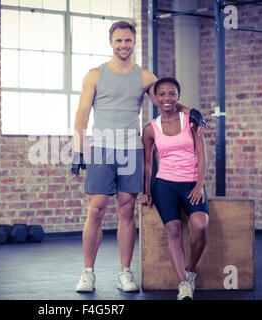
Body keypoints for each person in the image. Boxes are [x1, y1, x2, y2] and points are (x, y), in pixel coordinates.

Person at [70, 21, 202, 293]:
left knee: (127, 210)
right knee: (95, 210)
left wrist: (191, 111)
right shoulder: (94, 75)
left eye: (128, 41)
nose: (123, 45)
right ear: (111, 43)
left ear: (133, 43)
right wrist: (78, 150)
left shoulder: (144, 77)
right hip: (102, 149)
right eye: (118, 41)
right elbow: (82, 113)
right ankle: (87, 272)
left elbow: (166, 100)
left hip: (131, 149)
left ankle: (124, 272)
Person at [140, 77, 209, 300]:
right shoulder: (150, 129)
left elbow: (201, 154)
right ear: (156, 99)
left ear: (178, 96)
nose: (167, 98)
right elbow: (149, 163)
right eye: (162, 94)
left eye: (172, 94)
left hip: (191, 183)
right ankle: (183, 285)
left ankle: (190, 270)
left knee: (201, 225)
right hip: (165, 185)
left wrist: (200, 184)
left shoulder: (192, 121)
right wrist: (146, 191)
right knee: (173, 231)